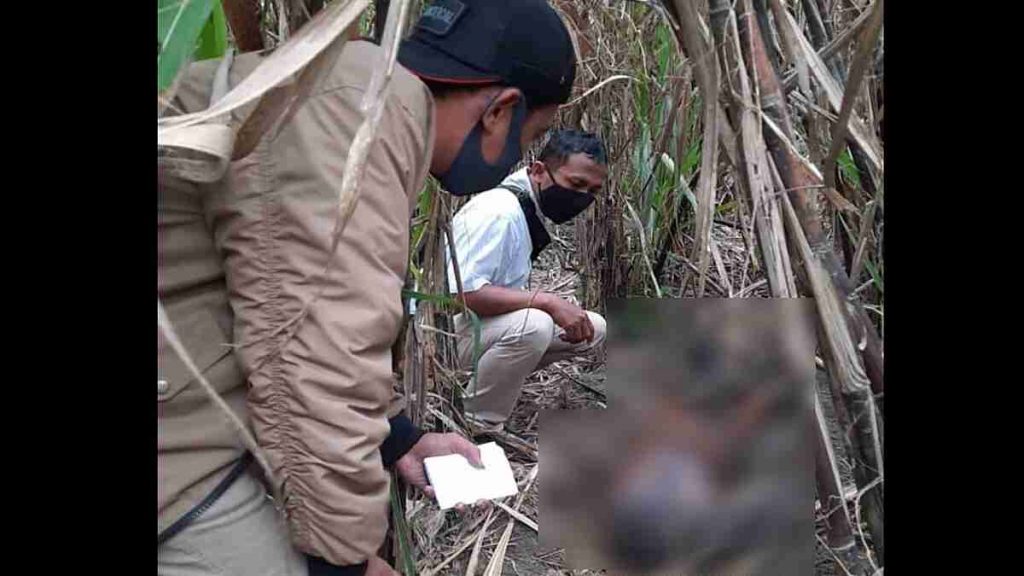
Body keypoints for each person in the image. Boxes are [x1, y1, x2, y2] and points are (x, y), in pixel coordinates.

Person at [157, 1, 578, 575]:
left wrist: (398, 438)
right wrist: (346, 563)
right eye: (537, 132)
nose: (525, 153)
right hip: (179, 450)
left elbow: (302, 307)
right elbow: (314, 365)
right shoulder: (354, 119)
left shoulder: (356, 96)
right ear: (501, 110)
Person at [445, 129, 608, 431]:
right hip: (438, 339)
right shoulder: (499, 212)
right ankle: (476, 423)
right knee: (533, 325)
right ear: (538, 171)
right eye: (576, 184)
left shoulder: (524, 208)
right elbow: (462, 294)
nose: (583, 197)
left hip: (470, 331)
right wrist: (545, 301)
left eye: (593, 191)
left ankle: (490, 384)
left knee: (591, 328)